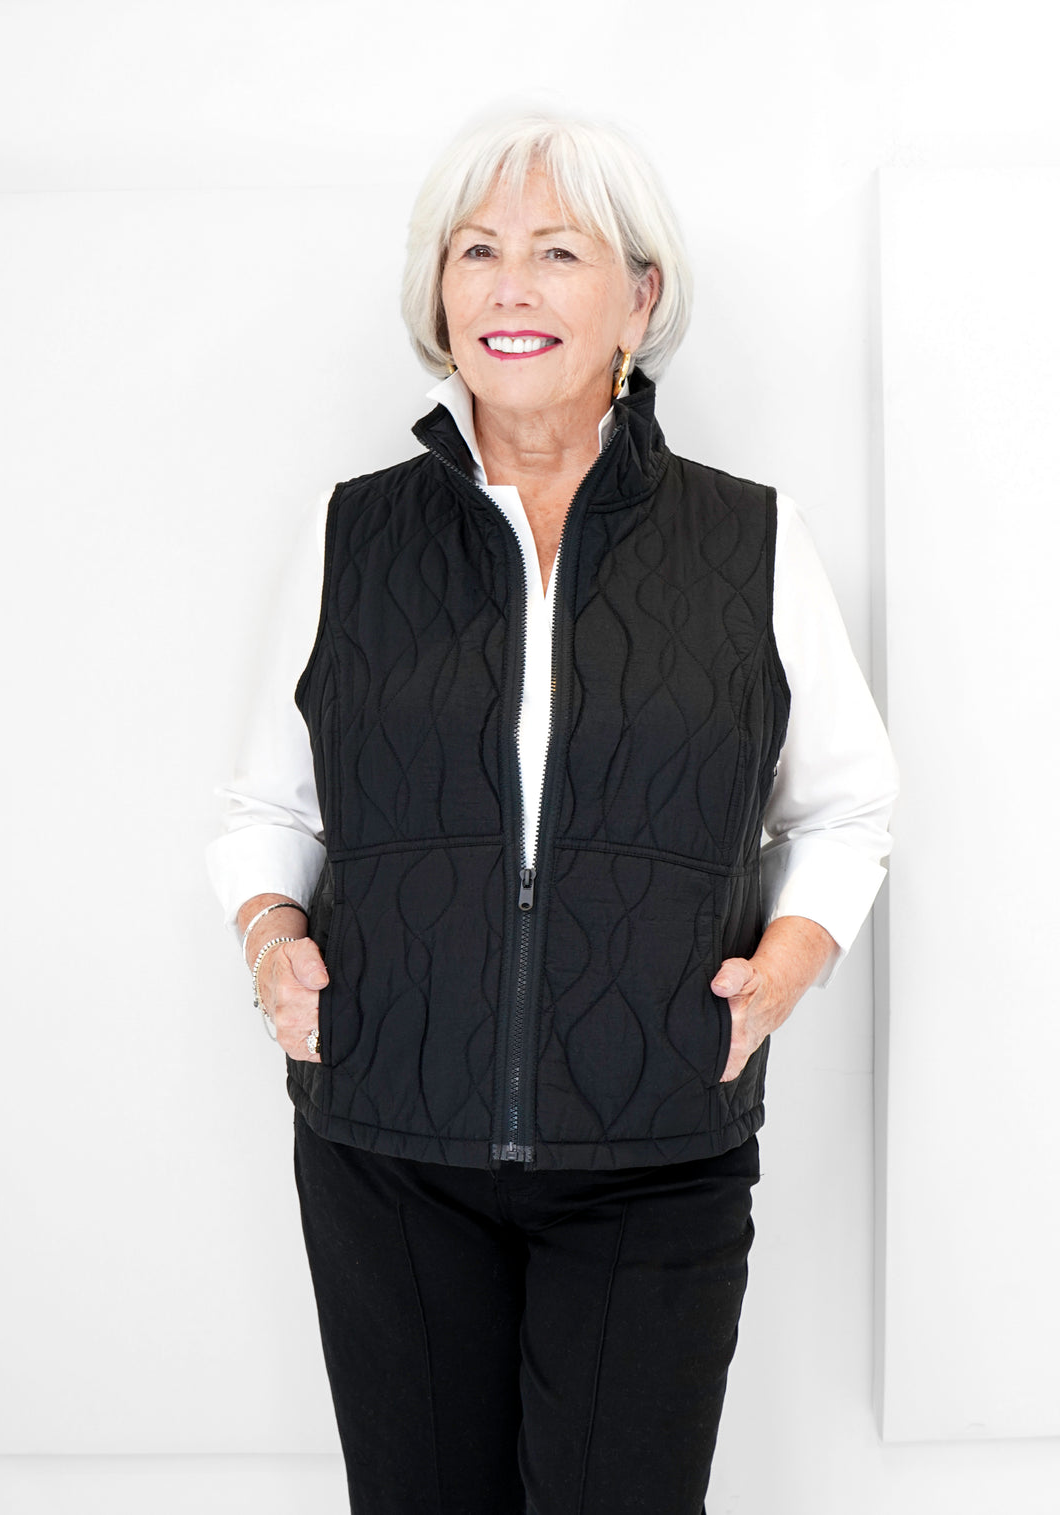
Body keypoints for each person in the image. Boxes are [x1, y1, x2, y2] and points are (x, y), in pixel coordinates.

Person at [207, 112, 897, 1515]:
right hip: (386, 1150)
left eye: (557, 253)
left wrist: (783, 971)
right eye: (476, 252)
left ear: (640, 300)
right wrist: (275, 942)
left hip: (656, 1153)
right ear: (439, 295)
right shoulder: (351, 536)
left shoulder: (748, 539)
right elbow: (268, 805)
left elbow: (845, 807)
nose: (508, 287)